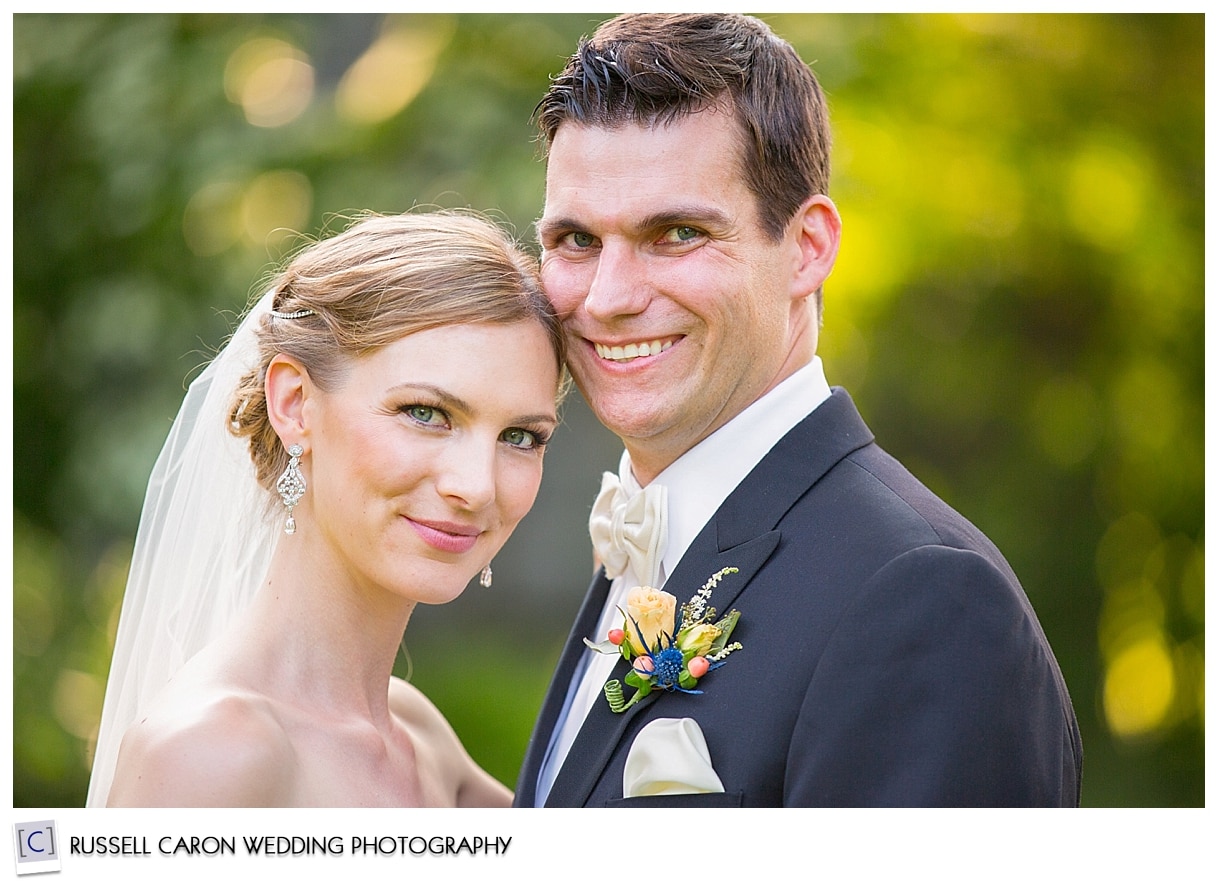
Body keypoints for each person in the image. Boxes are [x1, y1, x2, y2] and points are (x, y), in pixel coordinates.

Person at [515, 13, 1082, 807]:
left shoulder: (925, 600)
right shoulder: (649, 545)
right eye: (576, 240)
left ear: (809, 246)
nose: (607, 299)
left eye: (677, 233)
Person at [88, 211, 566, 807]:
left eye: (521, 436)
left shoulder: (418, 735)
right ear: (294, 405)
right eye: (425, 412)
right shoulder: (210, 754)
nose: (477, 487)